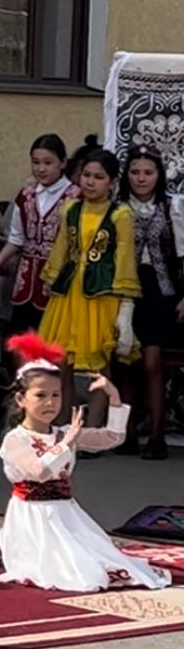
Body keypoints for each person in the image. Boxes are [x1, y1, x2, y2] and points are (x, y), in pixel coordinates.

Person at [0, 334, 170, 591]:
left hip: (67, 515)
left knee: (102, 563)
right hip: (32, 520)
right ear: (21, 400)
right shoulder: (16, 440)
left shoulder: (64, 433)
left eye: (56, 395)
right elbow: (39, 471)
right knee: (78, 573)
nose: (50, 403)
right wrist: (66, 443)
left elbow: (113, 437)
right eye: (40, 395)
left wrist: (113, 397)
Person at [39, 147, 140, 422]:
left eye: (98, 177)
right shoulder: (71, 208)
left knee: (99, 364)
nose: (90, 182)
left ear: (112, 182)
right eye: (86, 175)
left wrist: (126, 303)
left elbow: (124, 257)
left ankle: (94, 427)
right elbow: (61, 247)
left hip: (100, 295)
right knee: (62, 362)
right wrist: (51, 277)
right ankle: (63, 424)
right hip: (69, 292)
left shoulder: (120, 214)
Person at [117, 146, 182, 460]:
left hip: (160, 290)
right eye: (135, 172)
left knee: (153, 361)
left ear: (158, 175)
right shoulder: (116, 208)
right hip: (124, 289)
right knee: (125, 361)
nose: (141, 179)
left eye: (148, 172)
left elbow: (181, 255)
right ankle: (126, 434)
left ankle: (157, 436)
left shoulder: (172, 208)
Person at [0, 134, 78, 335]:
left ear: (63, 163)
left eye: (48, 163)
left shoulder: (77, 197)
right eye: (35, 162)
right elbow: (16, 238)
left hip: (59, 280)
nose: (41, 169)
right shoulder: (25, 195)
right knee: (22, 337)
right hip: (26, 279)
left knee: (52, 339)